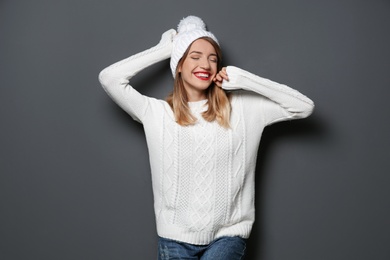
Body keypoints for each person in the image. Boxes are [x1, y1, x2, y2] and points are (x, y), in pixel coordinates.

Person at [99, 15, 314, 260]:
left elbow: (304, 107)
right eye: (195, 56)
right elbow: (110, 78)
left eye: (213, 58)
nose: (206, 64)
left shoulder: (244, 109)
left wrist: (245, 79)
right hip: (174, 240)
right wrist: (164, 50)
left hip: (228, 236)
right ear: (179, 64)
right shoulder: (157, 114)